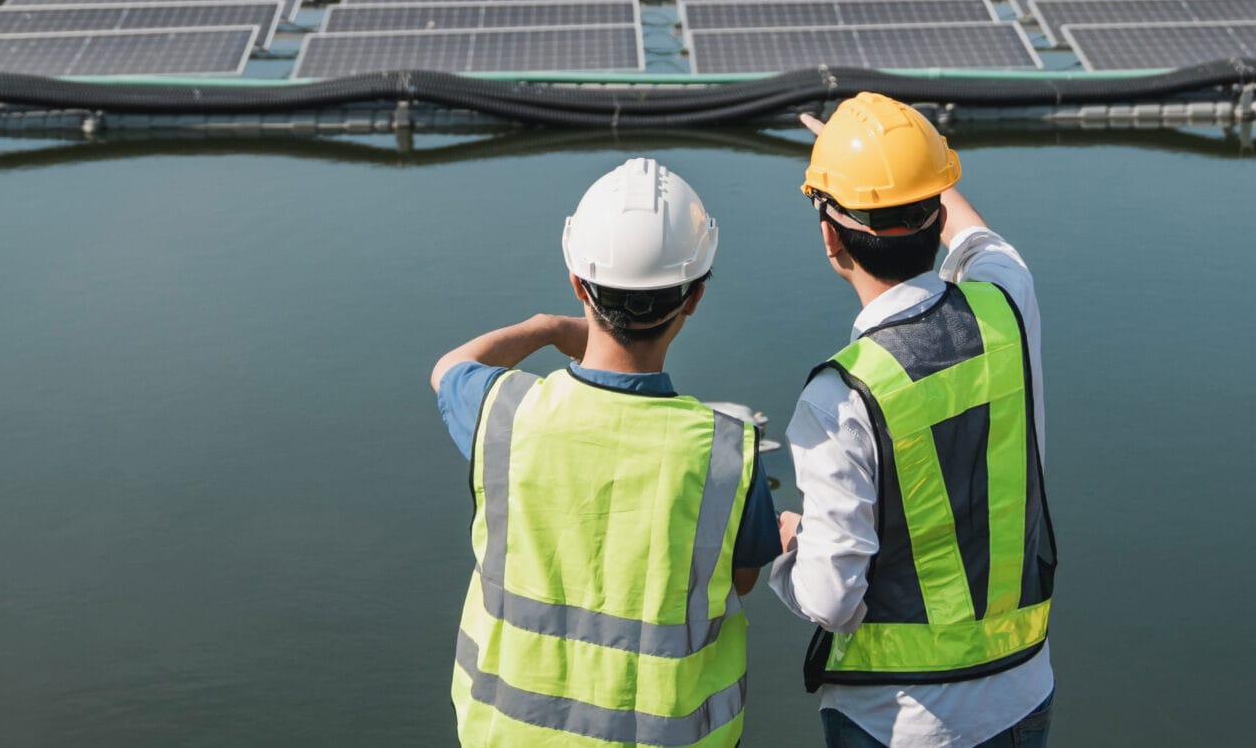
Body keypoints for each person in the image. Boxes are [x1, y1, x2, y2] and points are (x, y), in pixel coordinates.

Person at [431, 157, 784, 747]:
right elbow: (738, 579)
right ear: (694, 298)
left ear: (578, 285)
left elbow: (449, 371)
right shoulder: (728, 451)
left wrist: (547, 328)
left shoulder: (507, 415)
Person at [767, 94, 1057, 748]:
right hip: (1024, 691)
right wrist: (897, 161)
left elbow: (832, 597)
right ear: (934, 207)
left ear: (828, 234)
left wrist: (791, 540)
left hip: (902, 723)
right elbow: (978, 234)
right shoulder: (1009, 302)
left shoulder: (837, 397)